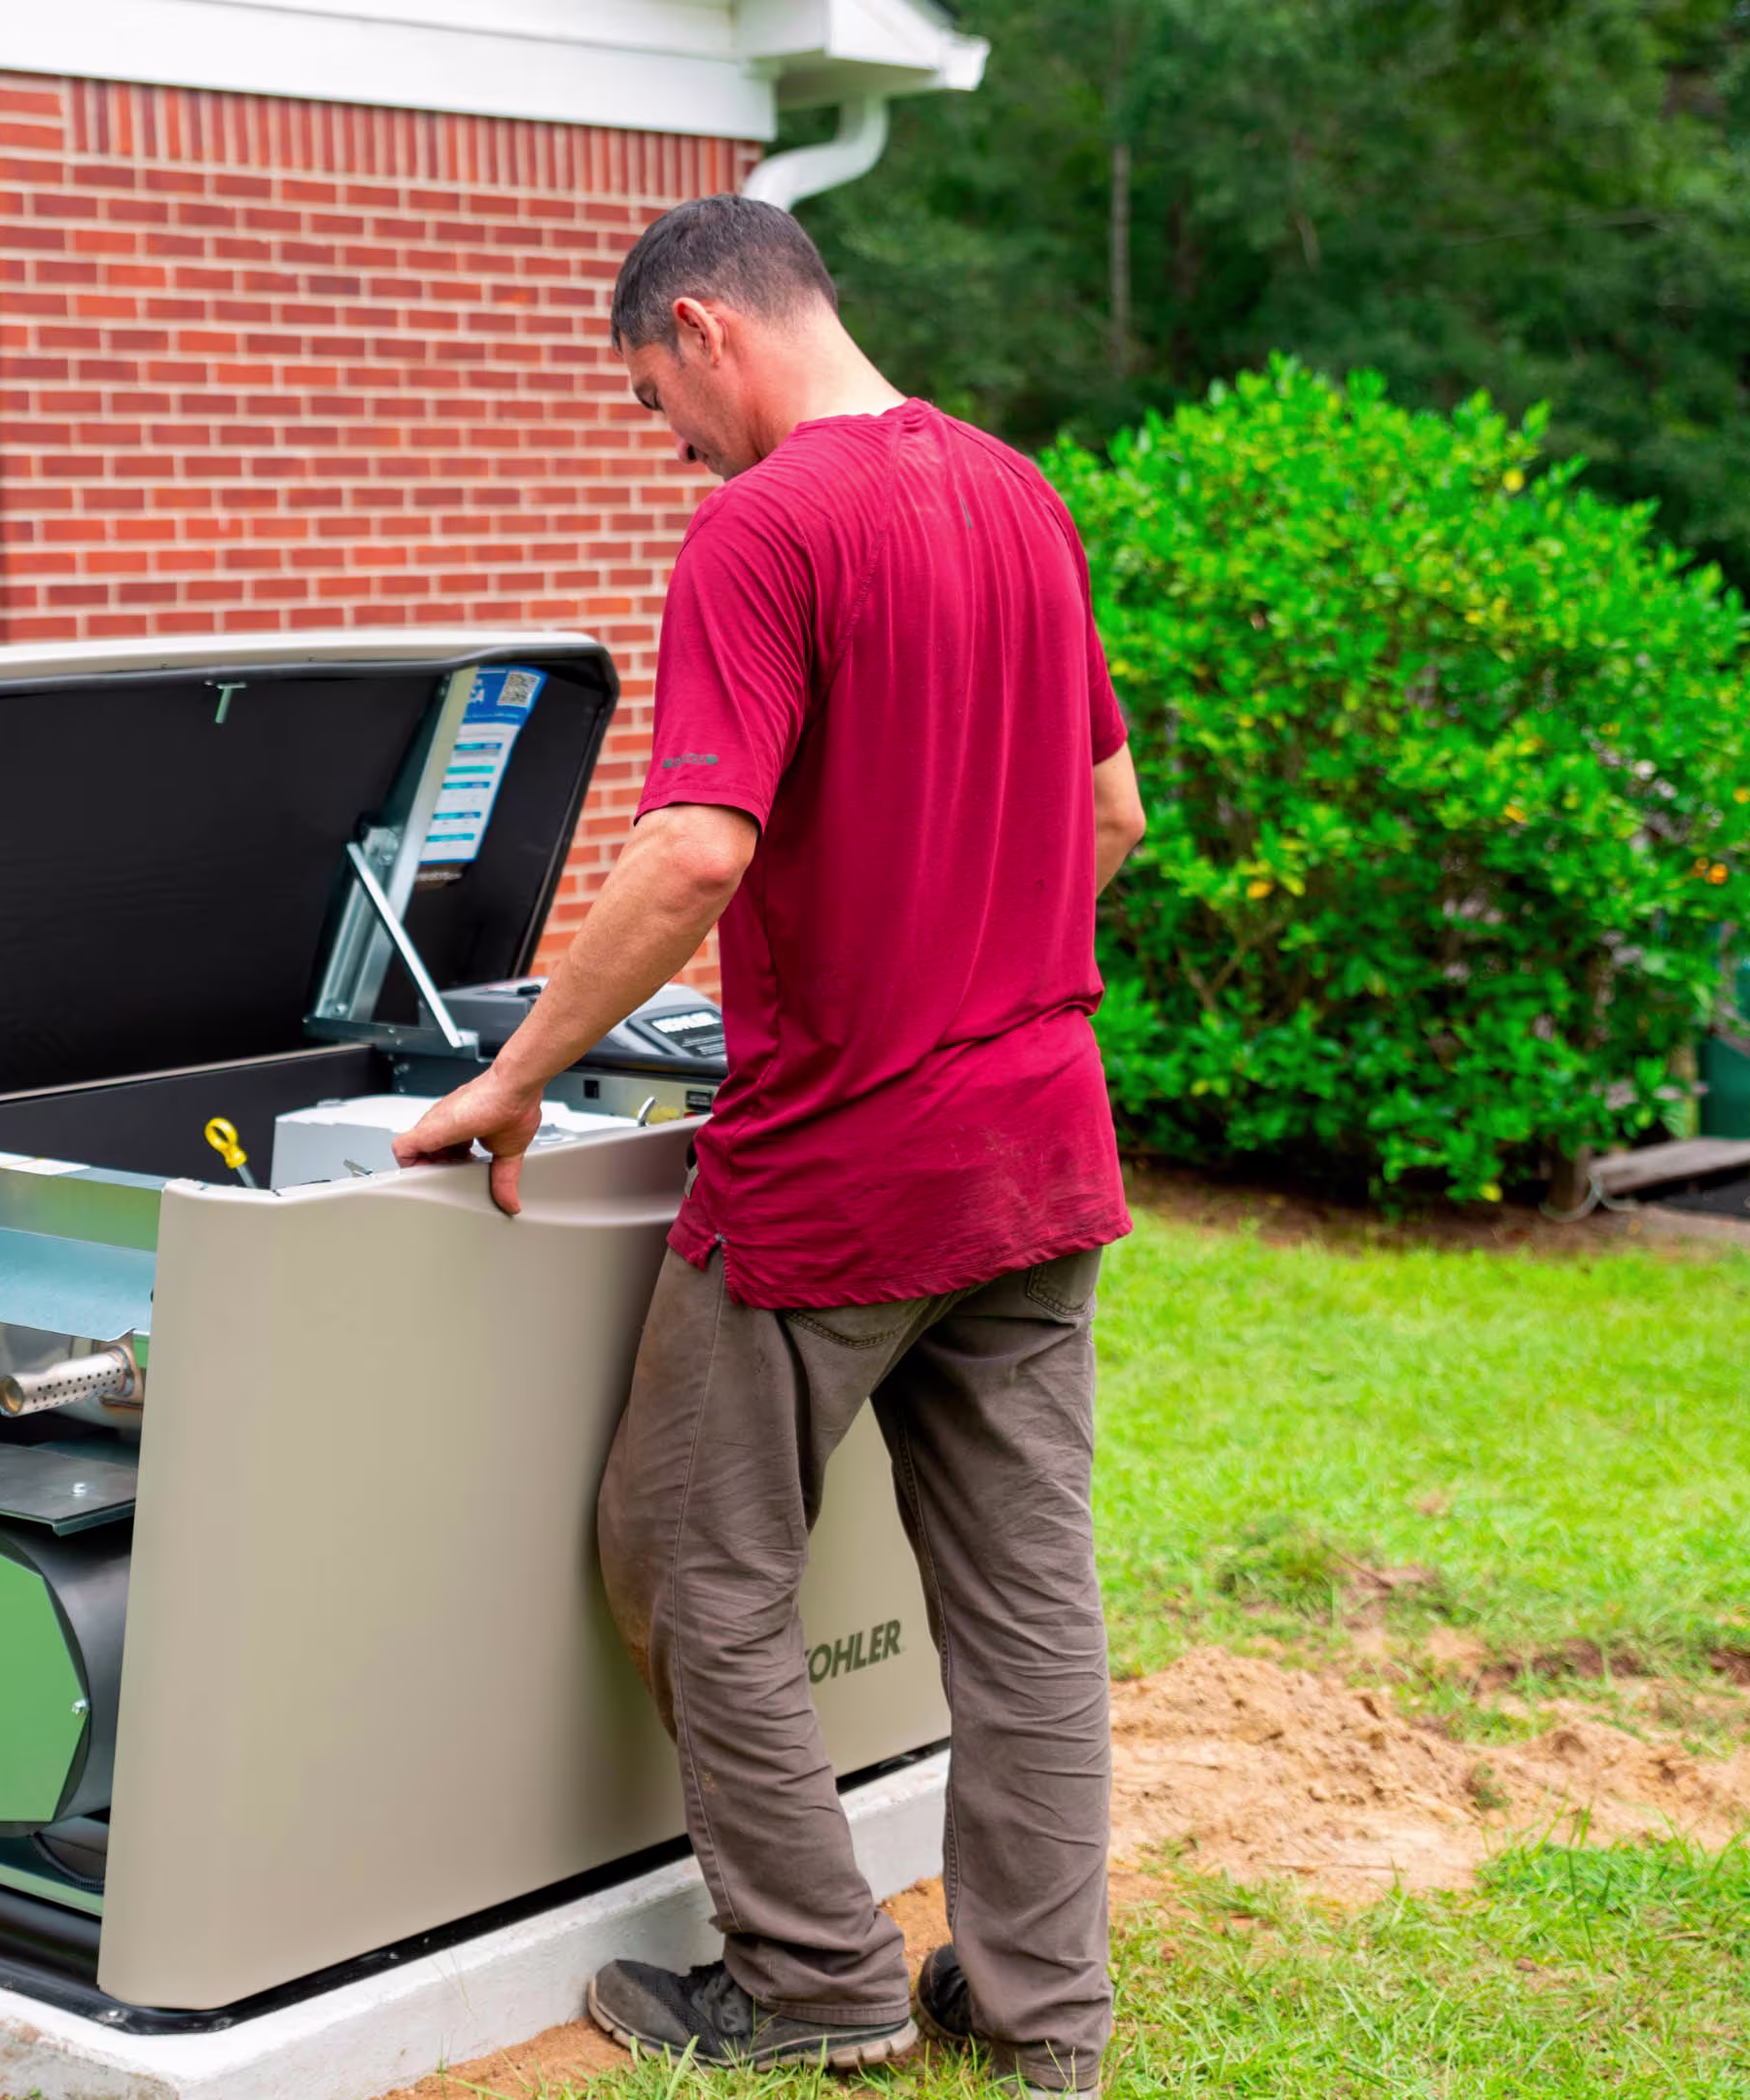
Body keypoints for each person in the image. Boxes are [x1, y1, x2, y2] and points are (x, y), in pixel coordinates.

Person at [390, 194, 1146, 2090]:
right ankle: (1046, 2014)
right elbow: (1111, 812)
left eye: (659, 395)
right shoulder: (1021, 497)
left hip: (838, 1176)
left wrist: (519, 1074)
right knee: (1027, 1597)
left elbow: (698, 848)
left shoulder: (763, 528)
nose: (672, 442)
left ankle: (818, 1984)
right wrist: (971, 950)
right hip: (1040, 1142)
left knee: (689, 1562)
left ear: (712, 329)